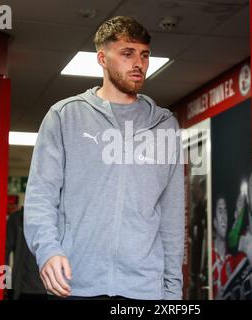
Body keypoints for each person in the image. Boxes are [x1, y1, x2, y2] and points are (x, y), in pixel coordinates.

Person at [24, 16, 185, 300]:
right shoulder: (65, 117)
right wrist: (48, 252)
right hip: (75, 284)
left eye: (144, 55)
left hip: (145, 291)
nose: (139, 63)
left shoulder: (164, 125)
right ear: (102, 58)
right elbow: (41, 196)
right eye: (127, 53)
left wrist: (172, 291)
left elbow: (171, 216)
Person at [5, 207, 48, 300]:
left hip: (51, 288)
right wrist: (6, 285)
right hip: (22, 288)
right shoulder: (17, 219)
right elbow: (4, 253)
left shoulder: (57, 218)